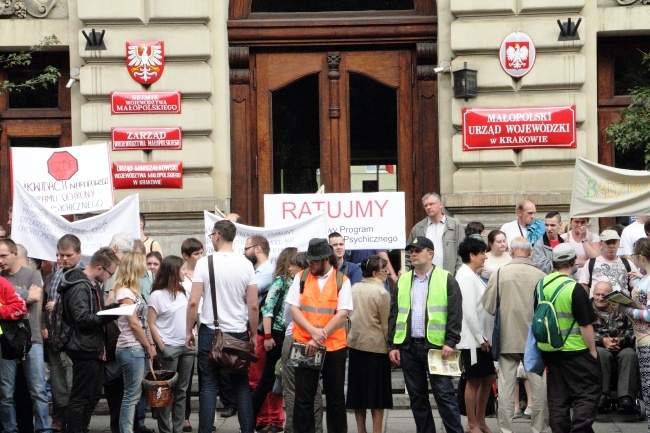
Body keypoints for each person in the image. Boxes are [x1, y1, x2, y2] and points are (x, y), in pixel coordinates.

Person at [185, 220, 258, 433]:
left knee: (208, 387)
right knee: (241, 386)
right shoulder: (246, 264)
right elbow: (252, 305)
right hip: (238, 332)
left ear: (217, 235)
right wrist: (253, 333)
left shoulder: (204, 263)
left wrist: (189, 330)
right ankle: (247, 430)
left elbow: (193, 302)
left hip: (211, 331)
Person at [388, 236, 464, 433]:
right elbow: (395, 314)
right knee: (417, 397)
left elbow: (455, 312)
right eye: (411, 251)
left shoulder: (445, 278)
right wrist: (393, 345)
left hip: (437, 347)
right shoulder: (403, 280)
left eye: (418, 250)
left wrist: (450, 341)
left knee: (444, 395)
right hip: (409, 346)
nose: (413, 254)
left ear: (430, 254)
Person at [482, 237, 549, 433]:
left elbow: (488, 306)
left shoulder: (500, 273)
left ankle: (506, 429)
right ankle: (539, 429)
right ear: (530, 253)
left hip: (507, 338)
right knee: (538, 388)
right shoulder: (541, 275)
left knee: (505, 387)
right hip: (534, 339)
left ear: (511, 251)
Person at [287, 238, 352, 433]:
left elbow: (342, 314)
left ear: (326, 259)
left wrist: (318, 337)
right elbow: (294, 307)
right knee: (303, 397)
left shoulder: (342, 281)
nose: (310, 263)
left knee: (335, 398)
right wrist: (313, 333)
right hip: (304, 343)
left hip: (334, 347)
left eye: (314, 261)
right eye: (309, 260)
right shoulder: (302, 277)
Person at [535, 243, 600, 433]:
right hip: (576, 350)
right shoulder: (575, 288)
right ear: (573, 262)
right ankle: (579, 429)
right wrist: (593, 350)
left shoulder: (541, 285)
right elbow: (585, 324)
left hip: (550, 350)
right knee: (587, 393)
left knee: (558, 396)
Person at [60, 247, 120, 433]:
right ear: (100, 268)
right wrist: (112, 313)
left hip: (93, 347)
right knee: (80, 397)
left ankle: (81, 428)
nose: (111, 277)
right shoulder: (80, 286)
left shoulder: (90, 284)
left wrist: (112, 308)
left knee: (93, 394)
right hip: (83, 347)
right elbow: (83, 319)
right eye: (111, 273)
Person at [0, 239, 50, 433]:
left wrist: (10, 297)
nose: (0, 260)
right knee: (6, 392)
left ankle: (43, 428)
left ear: (15, 255)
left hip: (32, 339)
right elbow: (27, 297)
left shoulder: (32, 274)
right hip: (5, 341)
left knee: (38, 390)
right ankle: (9, 429)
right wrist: (23, 294)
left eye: (3, 256)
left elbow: (35, 297)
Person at [148, 256, 196, 433]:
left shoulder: (183, 291)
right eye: (182, 269)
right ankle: (165, 430)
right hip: (169, 348)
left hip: (187, 347)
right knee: (165, 392)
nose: (185, 272)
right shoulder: (157, 295)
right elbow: (151, 323)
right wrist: (161, 347)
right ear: (173, 272)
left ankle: (178, 428)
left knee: (182, 391)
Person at [252, 247, 298, 433]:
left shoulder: (296, 282)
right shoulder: (280, 282)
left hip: (288, 334)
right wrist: (268, 336)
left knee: (276, 380)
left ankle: (278, 421)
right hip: (277, 335)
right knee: (267, 380)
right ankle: (249, 419)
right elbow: (268, 309)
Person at [346, 255, 392, 433]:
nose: (387, 273)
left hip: (356, 345)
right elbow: (386, 324)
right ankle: (377, 431)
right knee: (377, 397)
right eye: (384, 270)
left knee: (358, 394)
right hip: (376, 348)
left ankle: (361, 430)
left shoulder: (353, 288)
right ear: (375, 273)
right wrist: (391, 348)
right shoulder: (381, 293)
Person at [44, 234, 84, 432]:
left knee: (70, 385)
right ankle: (61, 418)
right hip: (54, 338)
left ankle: (73, 423)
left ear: (79, 254)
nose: (63, 259)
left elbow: (82, 307)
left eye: (68, 255)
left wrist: (58, 304)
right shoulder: (53, 276)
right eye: (60, 255)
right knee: (58, 385)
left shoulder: (82, 276)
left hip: (72, 340)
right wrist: (45, 324)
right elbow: (44, 304)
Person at [280, 252, 324, 433]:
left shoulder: (298, 283)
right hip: (319, 338)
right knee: (314, 388)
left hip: (296, 337)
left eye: (293, 265)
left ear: (302, 267)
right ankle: (316, 428)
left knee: (291, 388)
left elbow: (287, 316)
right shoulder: (323, 284)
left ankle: (292, 428)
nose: (289, 268)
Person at [455, 236, 495, 433]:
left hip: (481, 339)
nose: (485, 257)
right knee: (473, 381)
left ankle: (480, 420)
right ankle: (472, 423)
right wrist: (481, 338)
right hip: (473, 340)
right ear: (472, 255)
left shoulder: (472, 275)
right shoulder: (465, 277)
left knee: (488, 378)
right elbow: (468, 311)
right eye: (482, 253)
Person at [243, 235, 282, 431]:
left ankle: (271, 419)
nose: (244, 251)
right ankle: (265, 418)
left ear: (257, 249)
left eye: (246, 247)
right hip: (256, 330)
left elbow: (245, 292)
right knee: (258, 377)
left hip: (262, 331)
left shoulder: (267, 272)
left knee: (263, 377)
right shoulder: (256, 271)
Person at [115, 252, 156, 433]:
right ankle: (126, 430)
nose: (146, 268)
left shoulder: (132, 291)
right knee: (131, 394)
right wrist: (147, 345)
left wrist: (149, 344)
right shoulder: (125, 292)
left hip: (134, 346)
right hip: (130, 346)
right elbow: (133, 322)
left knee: (133, 393)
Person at [618, 237, 650, 432]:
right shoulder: (645, 277)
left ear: (642, 257)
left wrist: (626, 309)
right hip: (642, 340)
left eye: (635, 255)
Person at [591, 281, 638, 414]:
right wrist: (602, 340)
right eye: (597, 294)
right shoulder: (586, 309)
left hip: (622, 346)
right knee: (601, 354)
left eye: (604, 295)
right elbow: (582, 331)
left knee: (629, 355)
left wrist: (620, 340)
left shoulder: (621, 308)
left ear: (610, 296)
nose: (600, 298)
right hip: (598, 347)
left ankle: (626, 398)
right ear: (593, 294)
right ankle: (602, 396)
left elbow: (633, 330)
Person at [405, 193, 464, 275]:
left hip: (449, 275)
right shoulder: (418, 228)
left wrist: (458, 273)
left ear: (440, 204)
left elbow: (462, 252)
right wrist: (406, 271)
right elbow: (408, 254)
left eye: (431, 204)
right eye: (426, 205)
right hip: (425, 276)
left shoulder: (454, 225)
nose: (428, 207)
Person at [180, 238, 204, 432]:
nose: (199, 257)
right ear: (186, 256)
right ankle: (185, 417)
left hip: (206, 322)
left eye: (201, 253)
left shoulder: (205, 270)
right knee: (186, 375)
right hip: (188, 324)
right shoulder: (181, 274)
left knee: (206, 374)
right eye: (195, 253)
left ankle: (206, 416)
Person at [579, 229, 638, 296]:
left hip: (623, 304)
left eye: (614, 242)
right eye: (608, 243)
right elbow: (584, 285)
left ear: (618, 243)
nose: (611, 246)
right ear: (601, 244)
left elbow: (636, 286)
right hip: (598, 303)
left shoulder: (627, 263)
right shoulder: (591, 263)